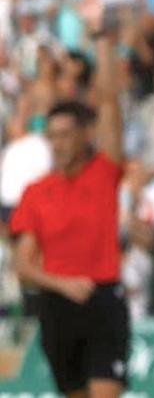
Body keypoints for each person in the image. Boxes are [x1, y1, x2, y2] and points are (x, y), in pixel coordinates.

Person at [10, 30, 130, 397]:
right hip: (59, 306)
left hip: (103, 298)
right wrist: (63, 283)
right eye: (53, 136)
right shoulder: (36, 192)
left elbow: (109, 103)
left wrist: (101, 38)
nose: (58, 144)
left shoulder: (103, 172)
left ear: (83, 135)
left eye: (65, 135)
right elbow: (23, 265)